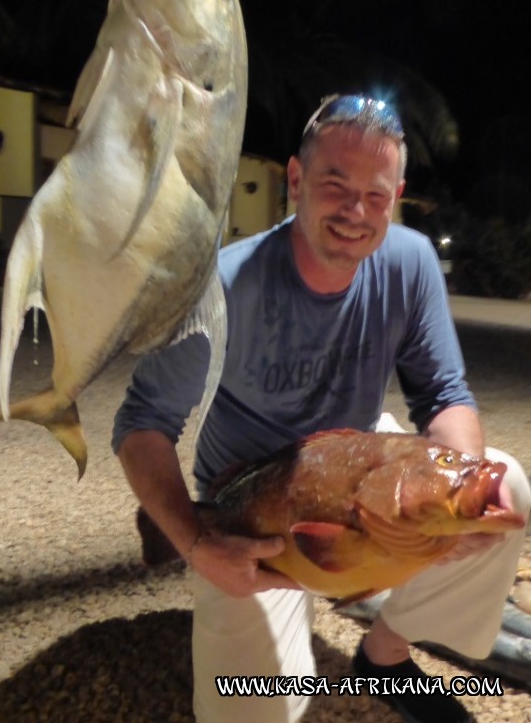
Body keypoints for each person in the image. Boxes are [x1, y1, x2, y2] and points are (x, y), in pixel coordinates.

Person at [113, 95, 531, 723]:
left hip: (359, 467)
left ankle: (384, 660)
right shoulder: (224, 286)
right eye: (336, 185)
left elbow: (443, 394)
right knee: (248, 709)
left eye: (377, 195)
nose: (356, 212)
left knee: (507, 489)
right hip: (256, 506)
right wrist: (199, 544)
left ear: (398, 196)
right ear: (296, 179)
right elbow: (142, 422)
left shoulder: (412, 262)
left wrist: (456, 493)